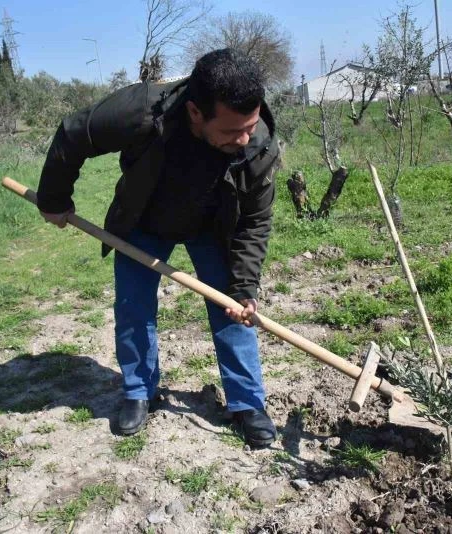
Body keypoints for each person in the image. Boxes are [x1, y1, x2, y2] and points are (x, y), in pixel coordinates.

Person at [36, 48, 280, 448]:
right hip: (145, 220)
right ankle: (138, 392)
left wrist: (244, 288)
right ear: (196, 113)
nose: (243, 138)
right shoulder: (142, 110)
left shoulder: (257, 145)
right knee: (134, 308)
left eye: (249, 126)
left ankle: (247, 402)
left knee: (233, 312)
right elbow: (74, 133)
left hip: (215, 226)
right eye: (232, 131)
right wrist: (53, 199)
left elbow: (255, 222)